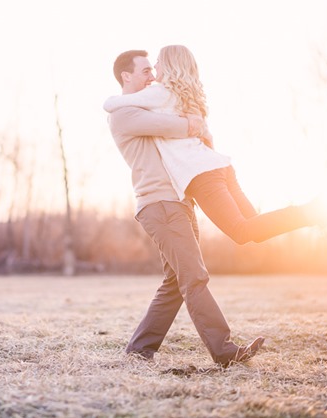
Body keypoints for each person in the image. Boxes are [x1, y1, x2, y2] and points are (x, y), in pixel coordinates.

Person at [106, 49, 264, 367]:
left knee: (175, 283)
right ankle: (225, 352)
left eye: (154, 69)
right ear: (126, 76)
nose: (153, 76)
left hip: (177, 201)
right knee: (194, 277)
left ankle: (139, 351)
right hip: (160, 202)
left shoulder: (148, 104)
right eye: (145, 71)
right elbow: (176, 126)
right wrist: (193, 122)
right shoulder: (126, 115)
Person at [104, 45, 321, 245]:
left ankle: (312, 212)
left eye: (158, 62)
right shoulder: (187, 95)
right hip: (221, 168)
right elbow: (207, 136)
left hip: (202, 175)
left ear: (169, 65)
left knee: (242, 232)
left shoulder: (158, 93)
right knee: (255, 226)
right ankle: (315, 212)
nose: (155, 69)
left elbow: (115, 104)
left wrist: (107, 102)